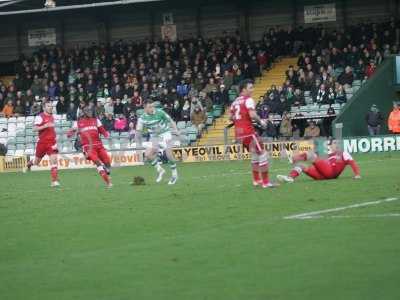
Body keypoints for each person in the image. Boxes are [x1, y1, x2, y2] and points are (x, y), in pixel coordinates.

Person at [230, 79, 277, 188]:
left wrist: (240, 120)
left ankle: (256, 180)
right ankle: (265, 182)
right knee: (263, 154)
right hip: (248, 132)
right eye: (250, 87)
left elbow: (231, 117)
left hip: (239, 134)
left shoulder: (234, 102)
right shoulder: (248, 100)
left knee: (255, 154)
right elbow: (252, 114)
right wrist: (261, 122)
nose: (252, 90)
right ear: (243, 89)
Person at [136, 100, 179, 185]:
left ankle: (174, 175)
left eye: (152, 106)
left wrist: (176, 130)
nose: (152, 108)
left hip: (165, 133)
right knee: (148, 155)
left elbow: (170, 120)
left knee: (168, 154)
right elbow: (138, 131)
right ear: (145, 108)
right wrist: (136, 139)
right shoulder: (142, 118)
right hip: (154, 137)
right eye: (150, 107)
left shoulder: (160, 112)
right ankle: (160, 170)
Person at [67, 107, 112, 188]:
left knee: (108, 163)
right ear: (84, 112)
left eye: (91, 110)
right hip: (88, 147)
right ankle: (108, 183)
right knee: (97, 163)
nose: (90, 112)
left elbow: (102, 130)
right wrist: (71, 132)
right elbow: (69, 134)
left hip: (99, 145)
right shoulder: (78, 123)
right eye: (88, 111)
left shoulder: (96, 120)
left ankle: (107, 171)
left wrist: (107, 135)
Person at [277, 139, 360, 183]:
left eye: (337, 143)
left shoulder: (343, 153)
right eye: (334, 143)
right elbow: (321, 164)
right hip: (323, 176)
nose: (336, 145)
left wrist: (357, 174)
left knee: (311, 155)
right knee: (301, 166)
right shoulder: (328, 154)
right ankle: (290, 178)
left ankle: (293, 159)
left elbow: (352, 163)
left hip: (330, 172)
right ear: (330, 146)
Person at [27, 102, 60, 187]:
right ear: (44, 108)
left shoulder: (52, 116)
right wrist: (45, 126)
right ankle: (30, 163)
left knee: (54, 160)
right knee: (36, 162)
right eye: (48, 106)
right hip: (42, 143)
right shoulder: (39, 117)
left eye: (51, 106)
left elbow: (51, 129)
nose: (50, 108)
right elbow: (34, 129)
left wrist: (55, 138)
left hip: (52, 143)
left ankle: (54, 181)